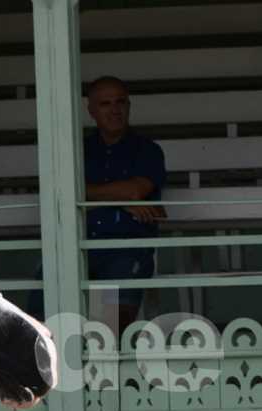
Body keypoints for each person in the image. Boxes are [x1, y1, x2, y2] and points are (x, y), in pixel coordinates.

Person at [83, 75, 167, 329]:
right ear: (92, 111)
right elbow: (64, 190)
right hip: (79, 248)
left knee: (109, 328)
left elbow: (136, 189)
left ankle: (106, 366)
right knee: (47, 313)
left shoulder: (147, 149)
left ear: (129, 106)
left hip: (123, 249)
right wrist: (121, 201)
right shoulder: (78, 150)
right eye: (105, 104)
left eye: (120, 102)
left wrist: (92, 195)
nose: (115, 109)